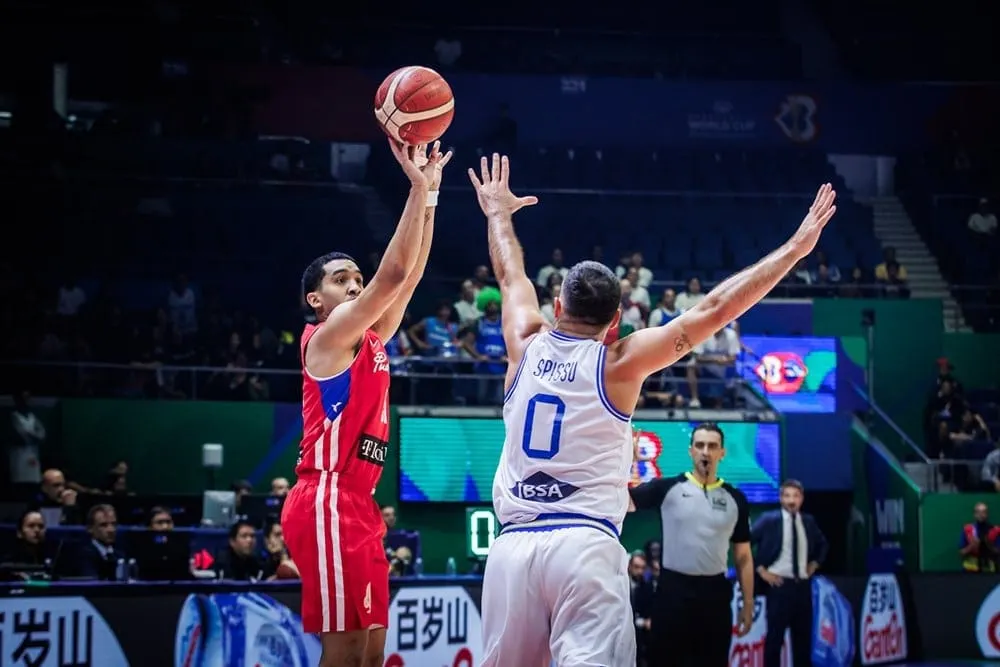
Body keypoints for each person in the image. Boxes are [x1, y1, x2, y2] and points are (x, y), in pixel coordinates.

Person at [467, 152, 838, 666]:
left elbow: (511, 277)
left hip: (510, 550)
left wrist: (498, 216)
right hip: (583, 542)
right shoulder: (619, 361)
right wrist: (795, 250)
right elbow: (715, 309)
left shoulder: (523, 342)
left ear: (557, 306)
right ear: (617, 319)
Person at [280, 139, 452, 667]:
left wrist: (431, 199)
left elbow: (411, 275)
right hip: (326, 497)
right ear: (316, 300)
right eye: (342, 281)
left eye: (358, 279)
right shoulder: (325, 337)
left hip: (360, 503)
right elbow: (392, 276)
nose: (355, 286)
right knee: (348, 651)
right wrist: (414, 187)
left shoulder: (371, 336)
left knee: (373, 651)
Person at [629, 424, 755, 667]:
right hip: (671, 592)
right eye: (699, 445)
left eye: (712, 446)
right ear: (690, 451)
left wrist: (747, 605)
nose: (705, 452)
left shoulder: (736, 499)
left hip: (715, 595)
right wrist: (628, 463)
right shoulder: (667, 488)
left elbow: (743, 557)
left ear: (722, 453)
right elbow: (622, 502)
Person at [751, 479, 828, 667]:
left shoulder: (808, 521)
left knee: (803, 641)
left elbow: (823, 544)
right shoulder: (769, 520)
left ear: (801, 498)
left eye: (795, 496)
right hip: (779, 587)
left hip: (802, 587)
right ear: (780, 498)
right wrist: (761, 570)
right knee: (774, 640)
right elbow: (744, 544)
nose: (791, 500)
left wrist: (815, 564)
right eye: (787, 496)